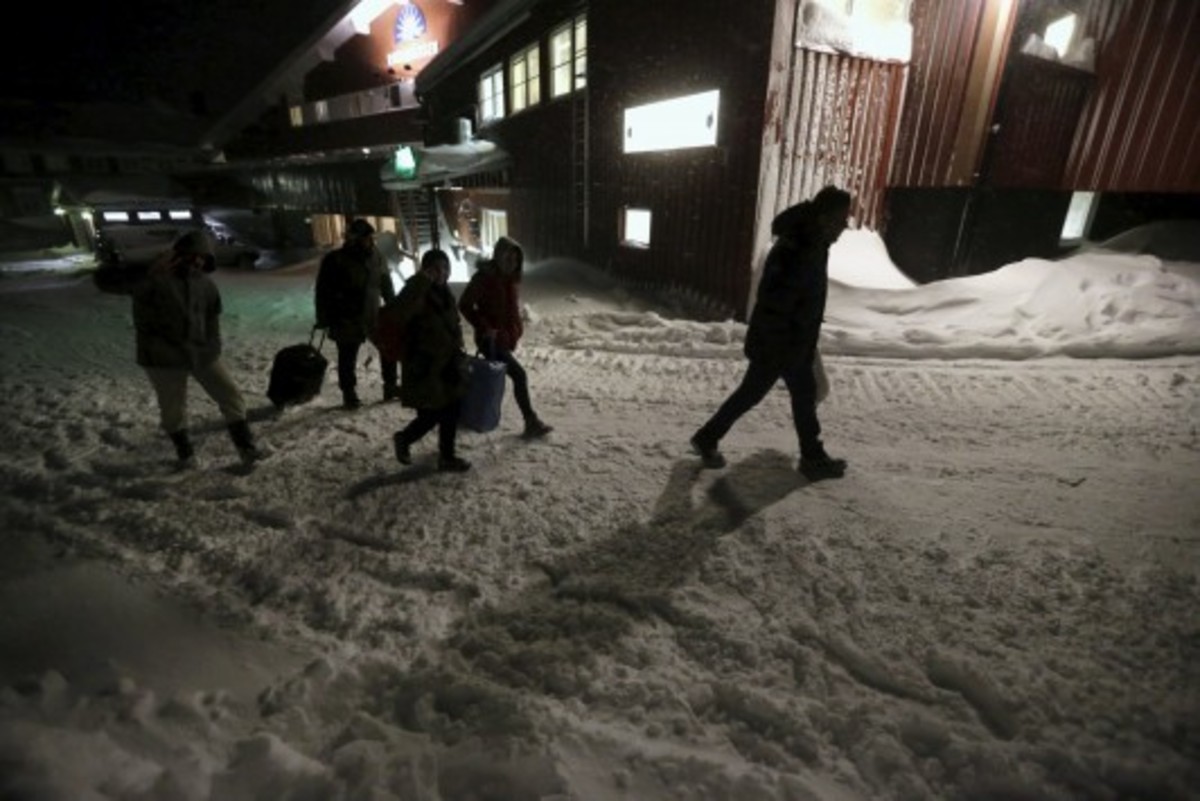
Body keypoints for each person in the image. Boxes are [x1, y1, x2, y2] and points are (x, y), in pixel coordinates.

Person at [689, 185, 851, 481]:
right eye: (842, 219)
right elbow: (776, 300)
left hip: (786, 341)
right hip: (781, 342)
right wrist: (789, 345)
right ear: (826, 218)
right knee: (800, 394)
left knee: (756, 393)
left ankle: (707, 437)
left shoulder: (812, 241)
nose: (844, 227)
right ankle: (812, 457)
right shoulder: (799, 246)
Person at [132, 230, 266, 467]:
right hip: (163, 358)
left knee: (230, 395)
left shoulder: (205, 285)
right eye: (192, 255)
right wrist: (149, 274)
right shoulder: (155, 281)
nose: (197, 261)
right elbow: (114, 288)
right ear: (179, 255)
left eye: (203, 257)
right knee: (173, 407)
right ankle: (185, 454)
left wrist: (212, 347)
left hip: (201, 353)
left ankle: (246, 447)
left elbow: (212, 319)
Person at [458, 236, 553, 439]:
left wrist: (517, 328)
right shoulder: (484, 278)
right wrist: (484, 327)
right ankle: (530, 421)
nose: (512, 261)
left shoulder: (511, 279)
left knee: (491, 380)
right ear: (498, 256)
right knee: (518, 375)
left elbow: (511, 309)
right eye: (508, 256)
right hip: (490, 340)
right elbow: (465, 304)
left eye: (516, 257)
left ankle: (469, 412)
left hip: (505, 337)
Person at [390, 249, 471, 472]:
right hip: (425, 366)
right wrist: (420, 281)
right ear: (425, 270)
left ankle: (447, 456)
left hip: (447, 362)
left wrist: (459, 351)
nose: (441, 273)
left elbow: (453, 324)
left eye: (445, 268)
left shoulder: (445, 293)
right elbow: (399, 312)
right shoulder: (417, 292)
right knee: (432, 413)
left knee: (452, 408)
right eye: (435, 268)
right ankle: (404, 439)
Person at [314, 219, 397, 408]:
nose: (371, 242)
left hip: (373, 313)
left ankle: (390, 386)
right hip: (346, 316)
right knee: (347, 357)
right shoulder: (335, 260)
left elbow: (385, 283)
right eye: (367, 238)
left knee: (388, 349)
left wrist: (393, 307)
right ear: (355, 239)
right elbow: (323, 291)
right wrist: (323, 317)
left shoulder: (377, 256)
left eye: (371, 238)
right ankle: (349, 393)